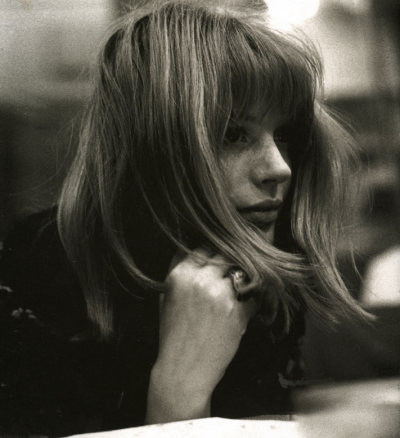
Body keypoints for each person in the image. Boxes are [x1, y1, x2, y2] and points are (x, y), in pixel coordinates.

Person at [0, 0, 369, 436]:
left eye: (284, 134)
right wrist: (179, 390)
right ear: (151, 144)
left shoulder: (267, 264)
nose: (279, 168)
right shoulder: (33, 276)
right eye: (233, 133)